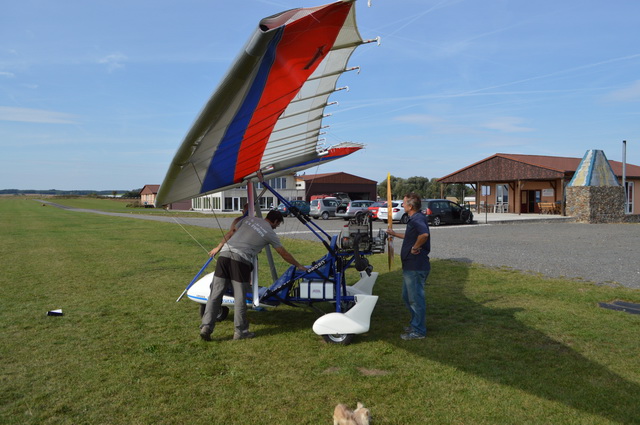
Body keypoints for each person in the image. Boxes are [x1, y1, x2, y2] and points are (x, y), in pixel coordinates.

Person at [200, 210, 307, 341]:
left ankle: (206, 327)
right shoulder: (269, 232)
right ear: (275, 221)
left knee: (215, 294)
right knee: (240, 297)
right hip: (240, 261)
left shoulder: (248, 219)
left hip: (224, 255)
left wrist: (218, 247)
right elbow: (282, 252)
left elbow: (232, 232)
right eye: (277, 224)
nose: (276, 227)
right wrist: (298, 265)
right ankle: (241, 331)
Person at [386, 192, 430, 340]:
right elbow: (411, 236)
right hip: (410, 266)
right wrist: (394, 234)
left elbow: (424, 235)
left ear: (410, 206)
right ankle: (415, 323)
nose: (403, 205)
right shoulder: (414, 218)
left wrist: (415, 247)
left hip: (416, 266)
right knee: (407, 297)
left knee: (415, 299)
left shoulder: (417, 219)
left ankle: (419, 331)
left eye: (404, 203)